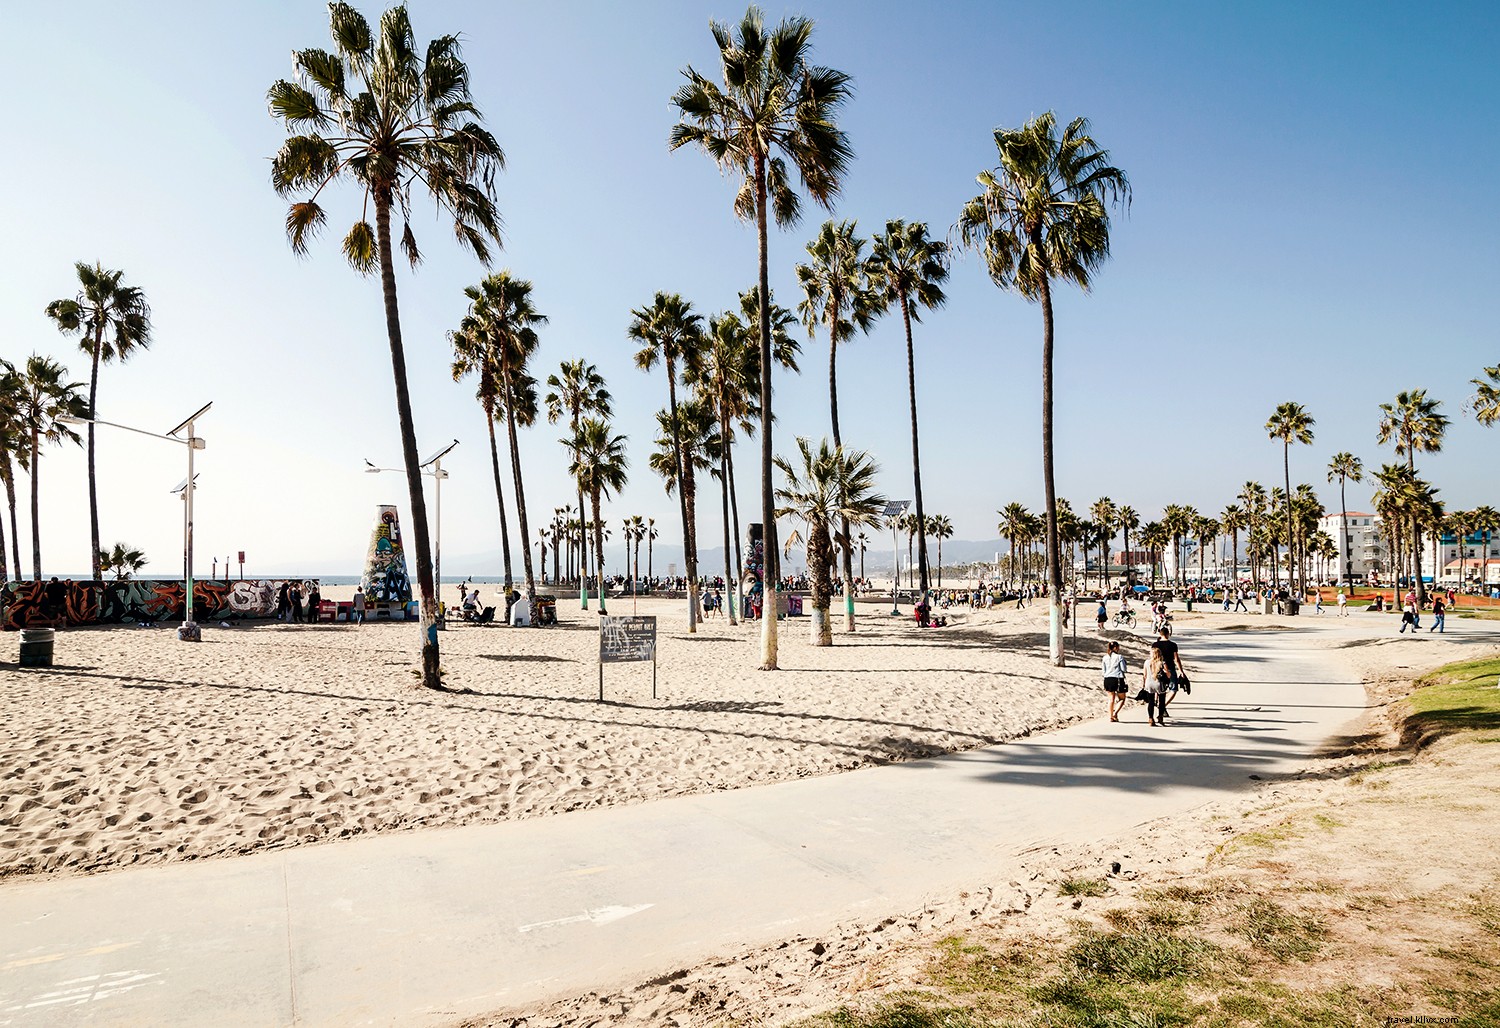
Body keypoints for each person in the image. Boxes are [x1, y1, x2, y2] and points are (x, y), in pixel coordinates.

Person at [1149, 624, 1188, 722]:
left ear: (1160, 634)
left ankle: (1160, 706)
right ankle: (1163, 705)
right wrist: (1181, 671)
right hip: (1170, 668)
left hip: (1157, 668)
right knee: (1173, 689)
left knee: (1159, 688)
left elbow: (1152, 657)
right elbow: (1177, 659)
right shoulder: (1173, 645)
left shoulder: (1155, 645)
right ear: (1168, 634)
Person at [1102, 641, 1128, 722]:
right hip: (1118, 678)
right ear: (1116, 648)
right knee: (1122, 698)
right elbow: (1124, 669)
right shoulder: (1119, 657)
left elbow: (1103, 671)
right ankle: (1115, 713)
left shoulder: (1105, 657)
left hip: (1107, 678)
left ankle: (1110, 716)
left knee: (1111, 699)